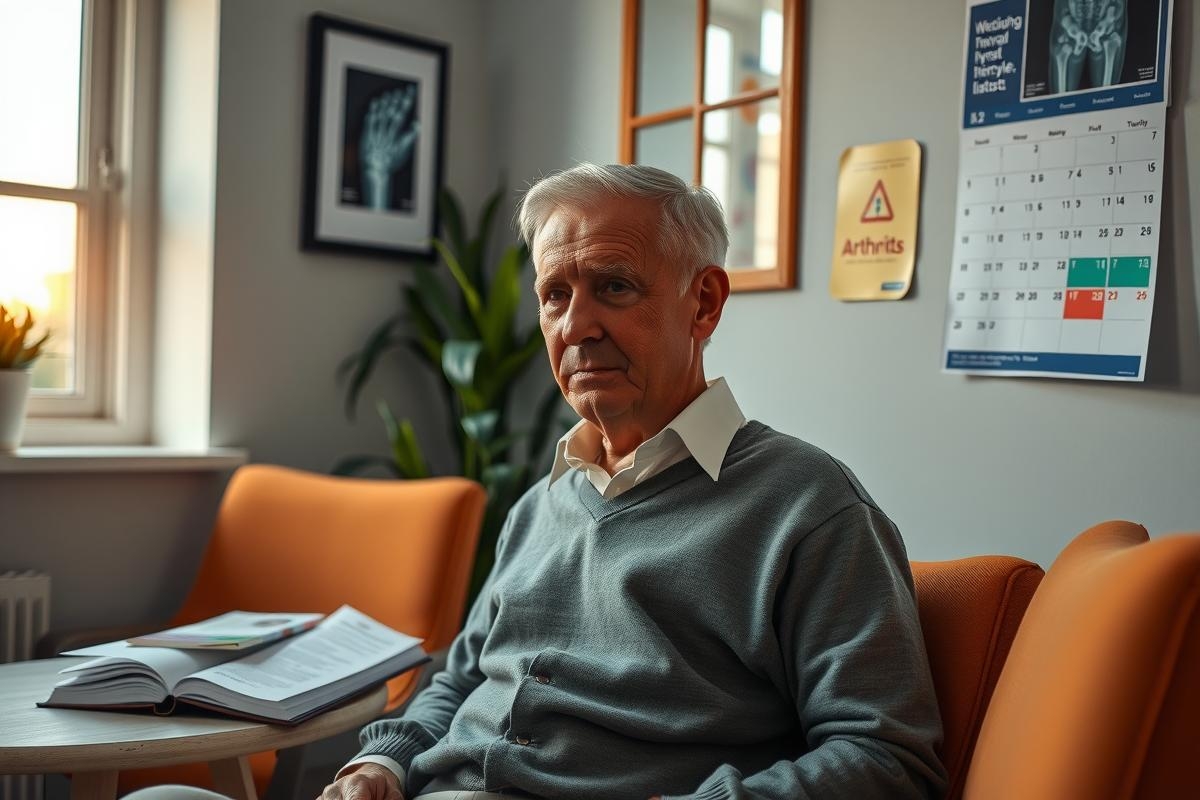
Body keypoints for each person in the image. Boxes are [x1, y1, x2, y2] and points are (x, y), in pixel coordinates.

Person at [320, 163, 947, 800]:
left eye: (615, 287)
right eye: (554, 295)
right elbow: (457, 684)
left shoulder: (809, 506)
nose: (575, 328)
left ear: (703, 303)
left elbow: (887, 758)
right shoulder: (539, 506)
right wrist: (383, 766)